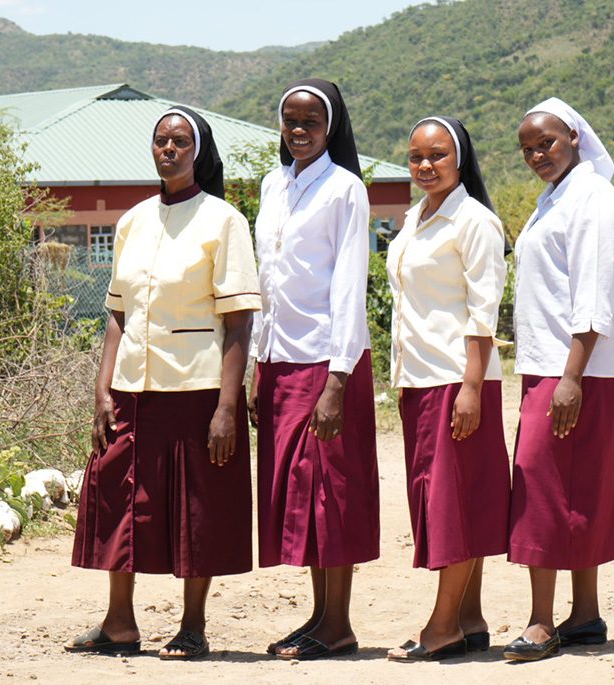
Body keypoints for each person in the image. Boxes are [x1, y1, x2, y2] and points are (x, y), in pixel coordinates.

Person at [66, 106, 260, 661]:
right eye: (160, 141)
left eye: (179, 141)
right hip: (132, 389)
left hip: (196, 391)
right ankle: (119, 623)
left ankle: (193, 625)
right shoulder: (132, 222)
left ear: (198, 150)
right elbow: (117, 316)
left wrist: (228, 406)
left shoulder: (224, 221)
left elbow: (240, 319)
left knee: (196, 507)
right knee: (118, 496)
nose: (168, 149)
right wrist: (102, 391)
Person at [502, 98, 614, 662]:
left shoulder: (593, 200)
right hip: (561, 367)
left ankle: (541, 623)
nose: (538, 154)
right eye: (528, 148)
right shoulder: (558, 198)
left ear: (575, 138)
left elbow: (592, 297)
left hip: (574, 371)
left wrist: (570, 378)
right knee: (577, 486)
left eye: (548, 143)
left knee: (539, 485)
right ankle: (584, 615)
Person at [250, 78, 379, 661]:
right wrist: (257, 362)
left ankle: (340, 623)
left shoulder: (346, 189)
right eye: (291, 121)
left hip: (328, 362)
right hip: (279, 358)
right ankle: (318, 617)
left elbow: (350, 284)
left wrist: (338, 379)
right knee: (301, 495)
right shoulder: (271, 185)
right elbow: (264, 283)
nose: (299, 132)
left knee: (333, 492)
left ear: (332, 129)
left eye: (311, 123)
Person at [385, 116, 511, 662]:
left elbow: (485, 312)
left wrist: (471, 386)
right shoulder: (415, 217)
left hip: (457, 379)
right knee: (449, 499)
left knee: (452, 504)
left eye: (437, 155)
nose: (425, 165)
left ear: (460, 159)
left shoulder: (476, 222)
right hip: (418, 377)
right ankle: (469, 618)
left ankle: (440, 627)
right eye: (416, 156)